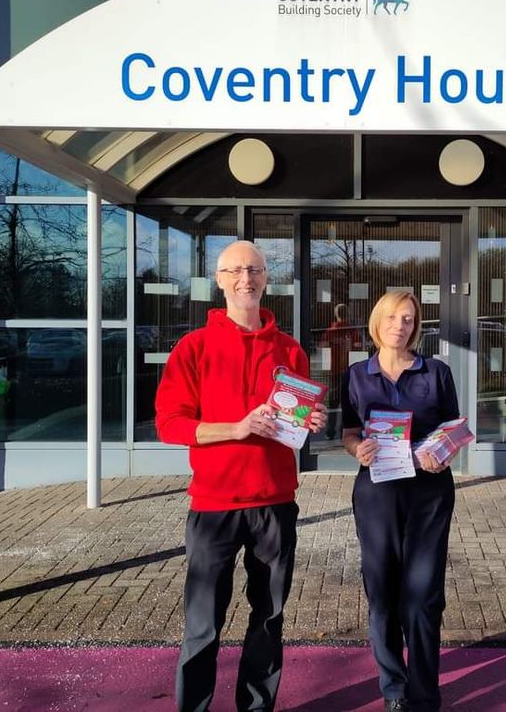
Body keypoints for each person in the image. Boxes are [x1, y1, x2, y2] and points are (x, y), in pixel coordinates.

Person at [155, 240, 327, 712]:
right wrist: (235, 427)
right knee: (202, 623)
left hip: (274, 501)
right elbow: (169, 425)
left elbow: (294, 427)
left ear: (267, 277)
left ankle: (256, 707)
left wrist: (311, 423)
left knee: (269, 618)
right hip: (214, 505)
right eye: (234, 270)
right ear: (219, 280)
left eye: (253, 269)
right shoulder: (194, 347)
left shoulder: (290, 351)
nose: (244, 279)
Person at [340, 290, 460, 712]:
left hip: (428, 495)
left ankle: (425, 695)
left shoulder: (437, 372)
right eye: (392, 317)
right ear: (378, 322)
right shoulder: (356, 374)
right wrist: (357, 449)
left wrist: (441, 453)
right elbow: (349, 431)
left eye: (408, 319)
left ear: (416, 326)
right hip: (377, 495)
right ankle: (394, 689)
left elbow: (452, 430)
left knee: (424, 595)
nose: (400, 325)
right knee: (383, 592)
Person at [319, 303, 362, 440]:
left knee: (333, 403)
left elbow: (322, 349)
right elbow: (359, 350)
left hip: (334, 372)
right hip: (350, 373)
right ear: (347, 314)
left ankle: (330, 431)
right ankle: (345, 431)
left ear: (336, 315)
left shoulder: (330, 332)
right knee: (347, 403)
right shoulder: (352, 331)